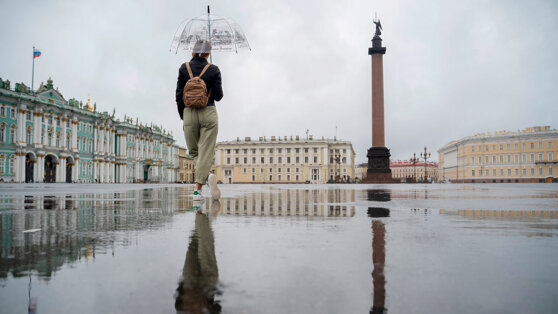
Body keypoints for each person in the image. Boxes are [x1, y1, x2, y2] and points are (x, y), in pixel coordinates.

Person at [176, 39, 223, 201]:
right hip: (208, 112)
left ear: (194, 51)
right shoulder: (214, 69)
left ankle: (205, 178)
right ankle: (199, 188)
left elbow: (178, 96)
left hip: (188, 113)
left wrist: (184, 117)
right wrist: (214, 76)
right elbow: (219, 96)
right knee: (206, 151)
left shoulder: (184, 68)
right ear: (208, 53)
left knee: (194, 152)